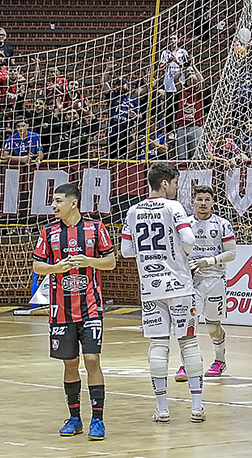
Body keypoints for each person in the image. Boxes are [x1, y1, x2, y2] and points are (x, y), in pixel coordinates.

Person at [121, 163, 204, 423]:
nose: (177, 189)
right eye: (176, 183)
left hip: (150, 287)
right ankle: (197, 407)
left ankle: (162, 409)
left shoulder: (133, 211)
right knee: (188, 342)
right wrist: (178, 255)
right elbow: (189, 241)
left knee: (159, 344)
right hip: (179, 285)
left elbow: (125, 250)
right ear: (165, 183)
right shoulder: (173, 207)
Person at [33, 184, 115, 440]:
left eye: (58, 201)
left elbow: (111, 262)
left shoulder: (95, 228)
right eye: (53, 201)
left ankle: (98, 420)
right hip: (61, 311)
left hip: (90, 307)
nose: (54, 206)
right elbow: (37, 266)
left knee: (92, 360)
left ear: (74, 203)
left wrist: (90, 261)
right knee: (70, 364)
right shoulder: (48, 232)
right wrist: (56, 267)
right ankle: (75, 418)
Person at [174, 185, 236, 381]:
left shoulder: (222, 224)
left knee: (212, 325)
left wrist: (208, 261)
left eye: (206, 199)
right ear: (193, 201)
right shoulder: (185, 224)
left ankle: (219, 361)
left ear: (212, 202)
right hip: (190, 282)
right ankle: (186, 365)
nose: (203, 203)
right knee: (187, 324)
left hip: (214, 279)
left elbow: (231, 253)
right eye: (199, 199)